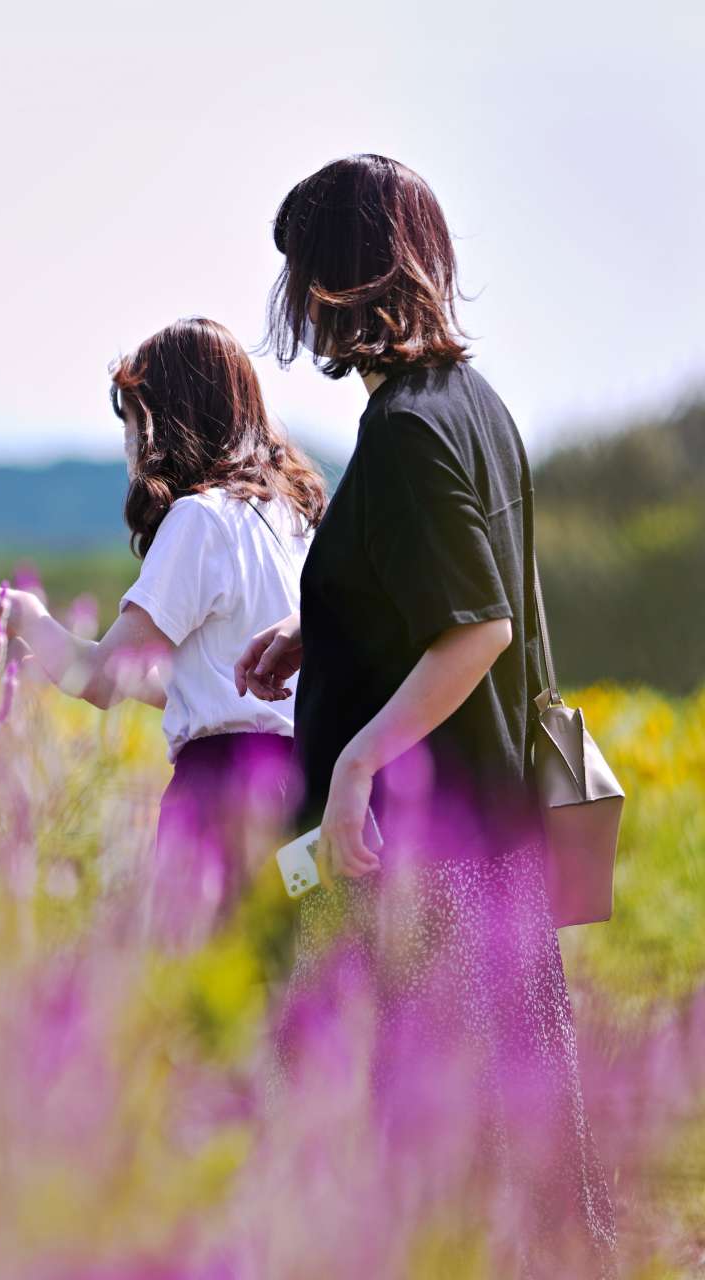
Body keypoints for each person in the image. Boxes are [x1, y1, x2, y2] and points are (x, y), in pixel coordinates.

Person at [238, 154, 616, 1273]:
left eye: (303, 272)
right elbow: (450, 590)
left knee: (440, 1140)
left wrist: (354, 764)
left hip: (427, 849)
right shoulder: (473, 406)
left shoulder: (405, 430)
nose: (298, 302)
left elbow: (477, 628)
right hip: (489, 836)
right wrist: (326, 632)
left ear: (340, 280)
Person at [0, 316, 324, 943]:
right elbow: (225, 680)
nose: (129, 445)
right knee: (280, 988)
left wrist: (26, 620)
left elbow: (99, 679)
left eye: (133, 422)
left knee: (200, 994)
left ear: (167, 419)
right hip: (303, 795)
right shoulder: (294, 518)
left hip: (217, 795)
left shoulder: (199, 521)